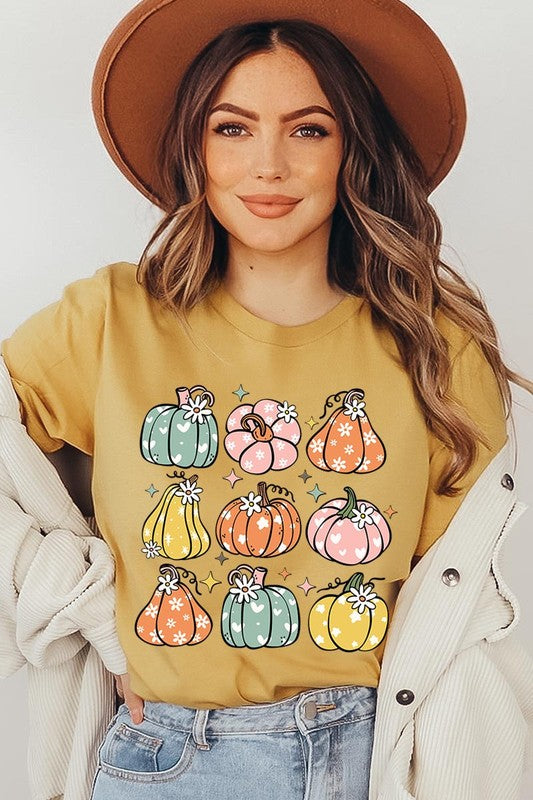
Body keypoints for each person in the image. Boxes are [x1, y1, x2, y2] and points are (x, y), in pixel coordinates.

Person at [1, 1, 531, 798]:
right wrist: (78, 602)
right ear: (195, 146)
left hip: (373, 757)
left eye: (308, 129)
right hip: (165, 761)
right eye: (232, 128)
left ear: (352, 148)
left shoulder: (434, 347)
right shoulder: (108, 321)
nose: (269, 166)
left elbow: (453, 618)